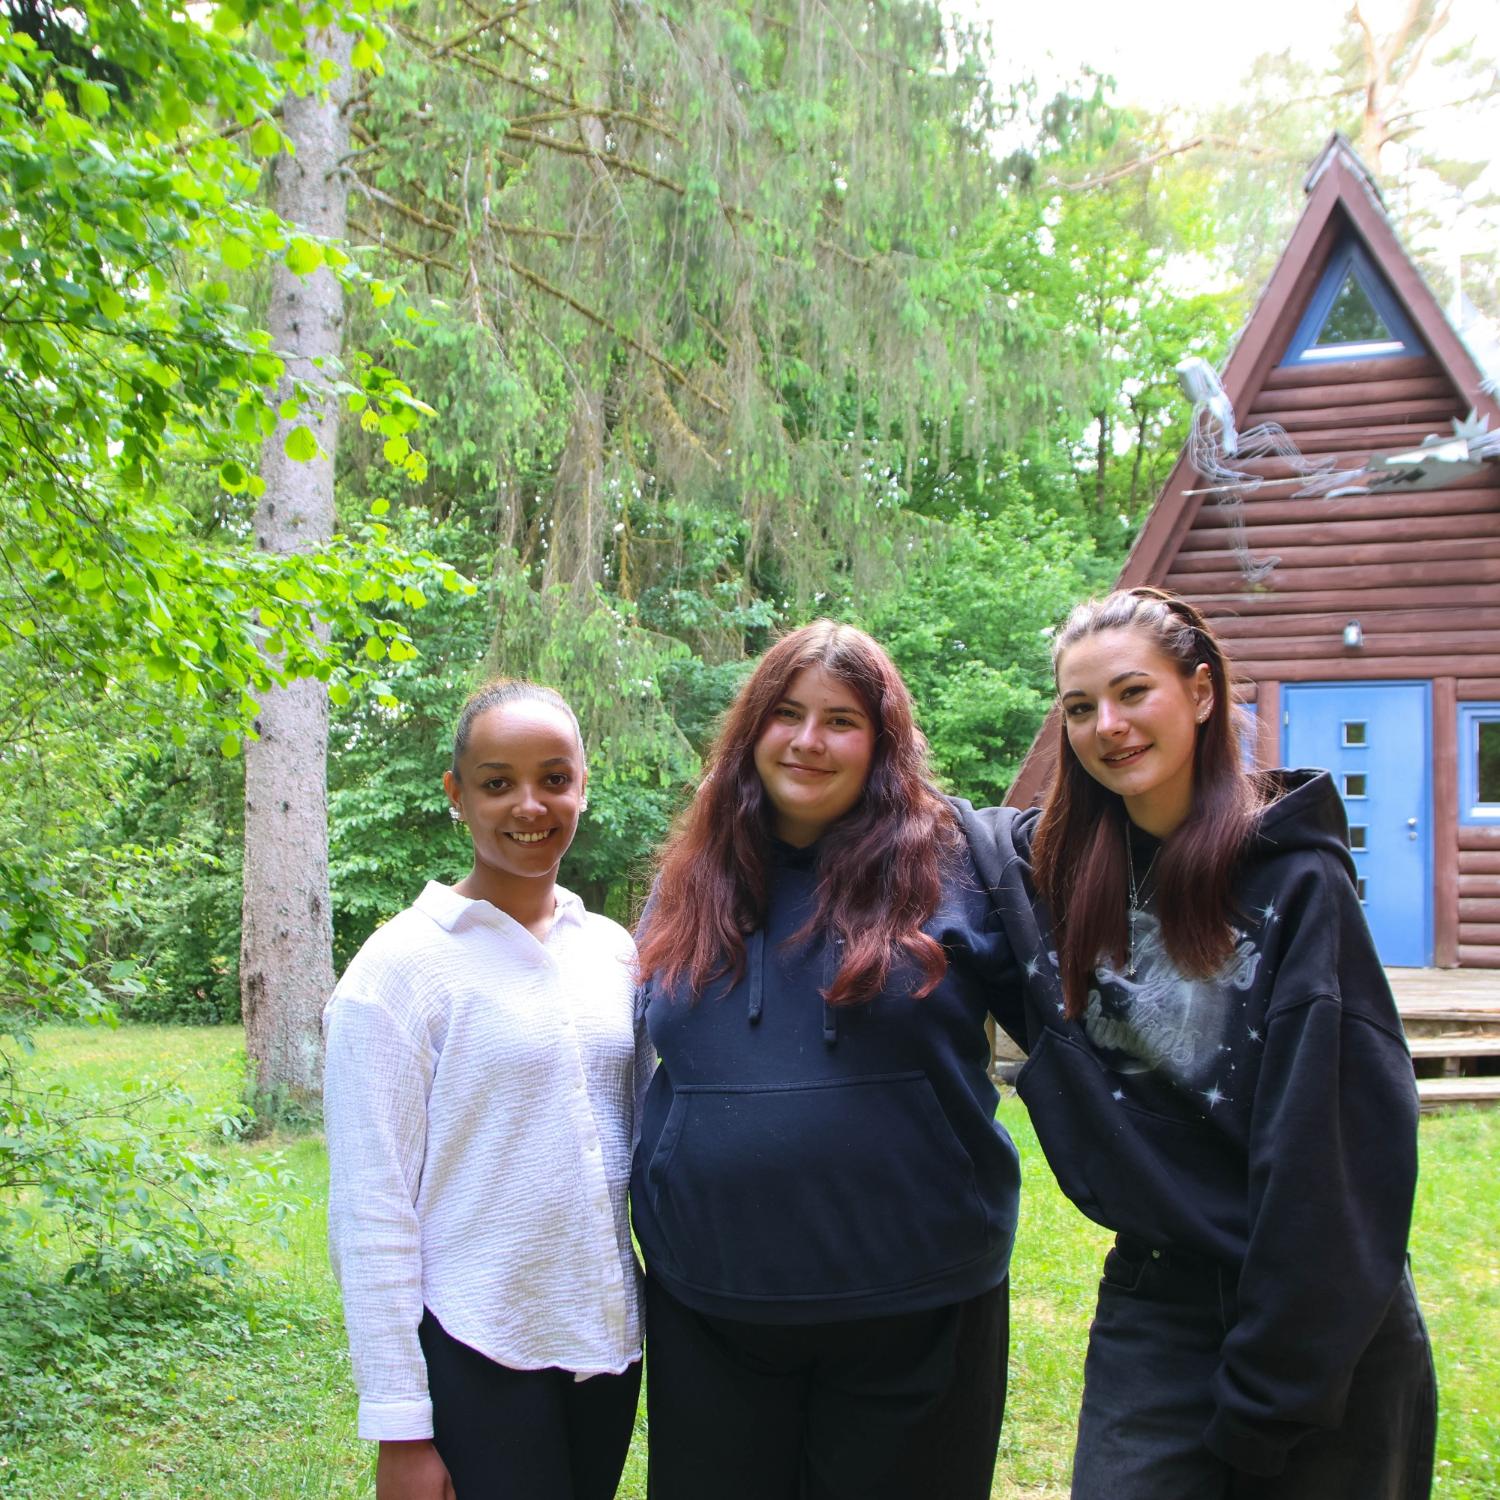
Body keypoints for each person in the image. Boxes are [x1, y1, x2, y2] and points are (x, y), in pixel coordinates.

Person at [959, 586, 1436, 1500]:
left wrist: (1271, 1394)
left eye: (1134, 693)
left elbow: (1336, 1163)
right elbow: (936, 832)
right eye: (1080, 707)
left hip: (1323, 1319)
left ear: (1203, 692)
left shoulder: (1296, 888)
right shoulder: (1052, 874)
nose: (1109, 726)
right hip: (1157, 1305)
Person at [631, 619, 1021, 1500]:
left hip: (918, 1304)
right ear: (752, 729)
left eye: (842, 719)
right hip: (711, 1306)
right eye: (788, 714)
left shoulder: (958, 866)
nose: (809, 741)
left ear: (882, 743)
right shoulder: (688, 879)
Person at [323, 679, 649, 1500]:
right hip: (477, 1345)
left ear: (583, 782)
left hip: (608, 1344)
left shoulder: (614, 952)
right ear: (456, 795)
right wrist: (401, 1426)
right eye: (498, 782)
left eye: (554, 777)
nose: (529, 805)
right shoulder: (399, 971)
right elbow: (371, 1206)